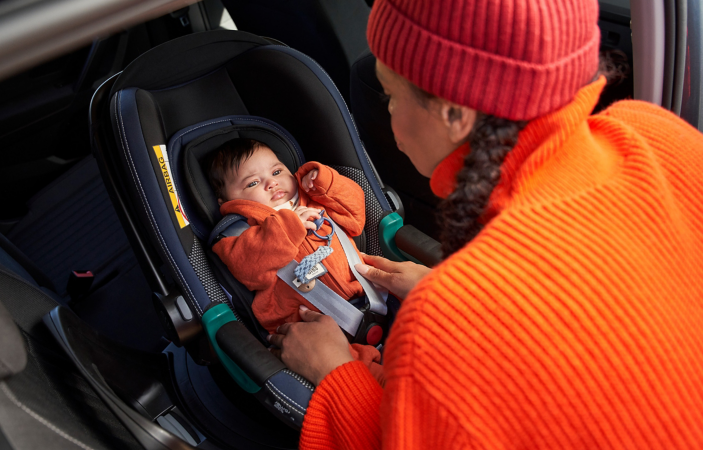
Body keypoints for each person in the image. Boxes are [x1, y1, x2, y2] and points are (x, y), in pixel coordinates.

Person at [269, 0, 703, 448]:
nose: (388, 115)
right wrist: (453, 292)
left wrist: (336, 374)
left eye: (390, 95)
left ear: (455, 112)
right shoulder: (658, 135)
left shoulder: (449, 326)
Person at [209, 138, 385, 383]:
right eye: (252, 183)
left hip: (375, 299)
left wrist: (325, 184)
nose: (272, 183)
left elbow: (356, 215)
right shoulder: (239, 235)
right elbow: (247, 267)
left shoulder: (317, 202)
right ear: (227, 202)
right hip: (311, 331)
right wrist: (288, 227)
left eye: (277, 171)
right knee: (372, 377)